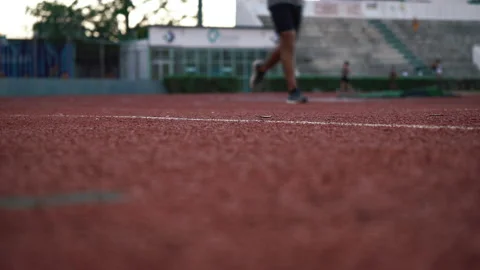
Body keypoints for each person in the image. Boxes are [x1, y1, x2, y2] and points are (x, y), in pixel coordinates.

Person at [249, 0, 308, 104]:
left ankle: (262, 69)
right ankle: (293, 91)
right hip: (279, 2)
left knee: (288, 44)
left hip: (297, 3)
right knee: (288, 36)